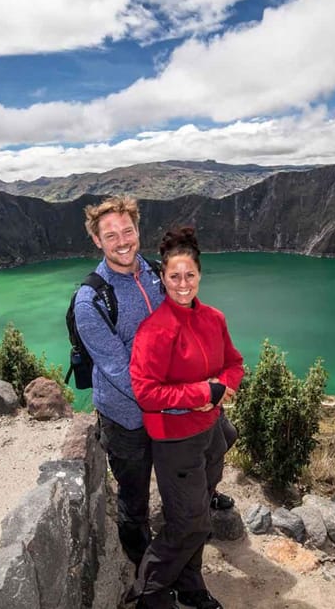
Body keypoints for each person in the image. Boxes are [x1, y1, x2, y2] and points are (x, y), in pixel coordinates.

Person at [128, 227, 245, 609]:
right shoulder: (155, 331)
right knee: (189, 521)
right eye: (174, 276)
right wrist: (203, 393)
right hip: (174, 439)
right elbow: (146, 393)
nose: (182, 284)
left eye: (189, 275)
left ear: (200, 275)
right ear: (162, 277)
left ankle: (190, 585)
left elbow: (234, 363)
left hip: (210, 431)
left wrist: (222, 388)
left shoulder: (214, 318)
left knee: (201, 510)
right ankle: (150, 592)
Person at [74, 196, 164, 566]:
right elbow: (119, 371)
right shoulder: (91, 300)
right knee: (134, 496)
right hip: (126, 416)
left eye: (128, 230)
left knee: (199, 460)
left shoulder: (158, 273)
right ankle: (145, 572)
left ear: (138, 230)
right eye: (111, 235)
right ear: (97, 240)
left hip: (169, 406)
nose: (122, 241)